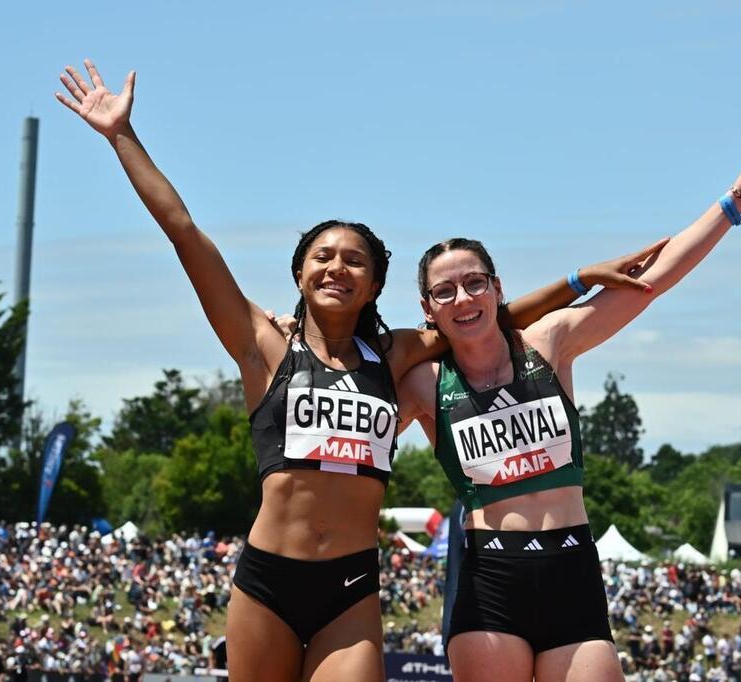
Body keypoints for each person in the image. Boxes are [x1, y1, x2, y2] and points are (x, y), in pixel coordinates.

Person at [56, 59, 665, 681]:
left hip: (350, 587)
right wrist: (122, 136)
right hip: (268, 578)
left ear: (374, 284)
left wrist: (577, 280)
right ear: (300, 273)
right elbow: (184, 232)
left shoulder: (396, 356)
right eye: (322, 257)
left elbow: (482, 317)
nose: (336, 268)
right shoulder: (263, 346)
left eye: (354, 260)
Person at [398, 133, 741, 682]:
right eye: (445, 292)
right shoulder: (423, 383)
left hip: (571, 569)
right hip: (490, 579)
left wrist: (735, 202)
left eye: (474, 283)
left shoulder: (549, 342)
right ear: (428, 309)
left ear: (496, 288)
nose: (463, 299)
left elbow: (652, 280)